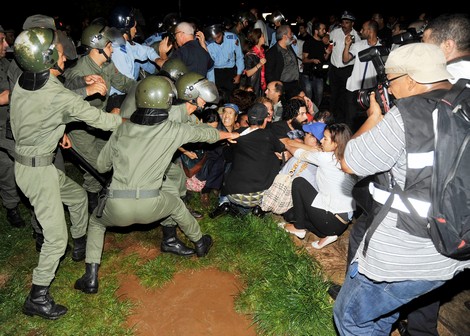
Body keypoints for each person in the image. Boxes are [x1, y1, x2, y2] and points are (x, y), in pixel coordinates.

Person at [334, 43, 470, 334]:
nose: (390, 90)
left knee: (351, 318)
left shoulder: (406, 114)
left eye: (391, 82)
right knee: (383, 314)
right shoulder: (465, 101)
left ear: (411, 79)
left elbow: (349, 162)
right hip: (454, 246)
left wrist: (374, 116)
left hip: (403, 256)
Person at [73, 75, 239, 295]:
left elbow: (102, 166)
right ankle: (200, 243)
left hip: (117, 206)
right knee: (177, 205)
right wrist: (227, 133)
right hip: (152, 205)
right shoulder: (173, 130)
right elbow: (206, 134)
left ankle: (90, 278)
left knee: (96, 223)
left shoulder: (122, 129)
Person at [11, 27, 123, 320]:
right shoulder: (57, 96)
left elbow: (47, 106)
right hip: (38, 172)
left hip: (30, 162)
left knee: (75, 196)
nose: (64, 55)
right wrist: (123, 118)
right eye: (59, 52)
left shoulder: (25, 80)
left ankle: (80, 245)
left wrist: (57, 129)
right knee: (55, 238)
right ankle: (37, 296)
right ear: (47, 57)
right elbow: (101, 121)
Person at [64, 23, 136, 213]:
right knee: (96, 166)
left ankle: (98, 199)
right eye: (109, 45)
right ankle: (94, 205)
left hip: (99, 122)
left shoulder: (107, 65)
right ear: (98, 48)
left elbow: (125, 83)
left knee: (105, 161)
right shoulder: (78, 72)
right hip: (79, 128)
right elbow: (63, 94)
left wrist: (145, 89)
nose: (113, 48)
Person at [281, 123, 356, 248]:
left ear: (336, 144)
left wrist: (287, 143)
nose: (321, 140)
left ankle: (298, 227)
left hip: (330, 219)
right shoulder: (349, 159)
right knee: (290, 214)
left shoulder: (327, 158)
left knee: (299, 183)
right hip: (341, 222)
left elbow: (298, 152)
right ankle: (327, 234)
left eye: (325, 139)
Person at [220, 103, 285, 216]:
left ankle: (223, 202)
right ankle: (255, 210)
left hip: (233, 193)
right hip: (258, 196)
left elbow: (227, 154)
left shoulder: (238, 133)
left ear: (248, 120)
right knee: (276, 159)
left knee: (231, 159)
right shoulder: (269, 135)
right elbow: (281, 150)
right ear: (265, 120)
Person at [0, 24, 25, 228]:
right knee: (7, 167)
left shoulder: (7, 64)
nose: (6, 43)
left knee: (11, 166)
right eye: (0, 40)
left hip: (10, 125)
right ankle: (11, 207)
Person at [343, 20, 381, 131]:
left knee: (369, 120)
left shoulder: (381, 47)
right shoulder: (359, 45)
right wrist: (347, 45)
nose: (361, 31)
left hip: (370, 90)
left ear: (369, 31)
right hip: (353, 88)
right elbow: (345, 59)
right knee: (350, 119)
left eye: (363, 29)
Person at [328, 11, 360, 127]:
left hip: (347, 70)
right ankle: (331, 119)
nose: (344, 25)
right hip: (334, 69)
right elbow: (330, 44)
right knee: (334, 95)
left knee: (345, 96)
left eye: (347, 22)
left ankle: (343, 122)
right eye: (343, 22)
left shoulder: (356, 37)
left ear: (352, 24)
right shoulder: (335, 32)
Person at [204, 22, 245, 104]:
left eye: (218, 37)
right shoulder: (208, 44)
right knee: (217, 98)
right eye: (214, 38)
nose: (217, 40)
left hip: (230, 71)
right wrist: (212, 83)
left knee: (231, 97)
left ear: (222, 33)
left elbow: (240, 57)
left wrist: (238, 75)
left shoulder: (232, 38)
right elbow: (210, 66)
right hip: (216, 72)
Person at [265, 24, 301, 100]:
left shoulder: (289, 47)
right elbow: (269, 74)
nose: (292, 35)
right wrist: (276, 89)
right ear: (284, 36)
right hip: (283, 87)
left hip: (295, 84)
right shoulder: (272, 52)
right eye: (290, 34)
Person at [302, 21, 331, 108]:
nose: (324, 31)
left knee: (319, 96)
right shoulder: (308, 42)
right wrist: (312, 60)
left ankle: (315, 112)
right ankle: (308, 114)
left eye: (325, 29)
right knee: (308, 96)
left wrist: (328, 53)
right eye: (322, 29)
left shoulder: (323, 43)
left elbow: (324, 58)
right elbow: (304, 59)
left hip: (319, 74)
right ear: (316, 31)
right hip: (308, 74)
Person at [242, 28, 267, 97]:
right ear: (257, 38)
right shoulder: (250, 54)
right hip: (253, 85)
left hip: (261, 84)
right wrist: (259, 64)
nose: (264, 38)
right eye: (262, 36)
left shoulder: (262, 52)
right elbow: (248, 73)